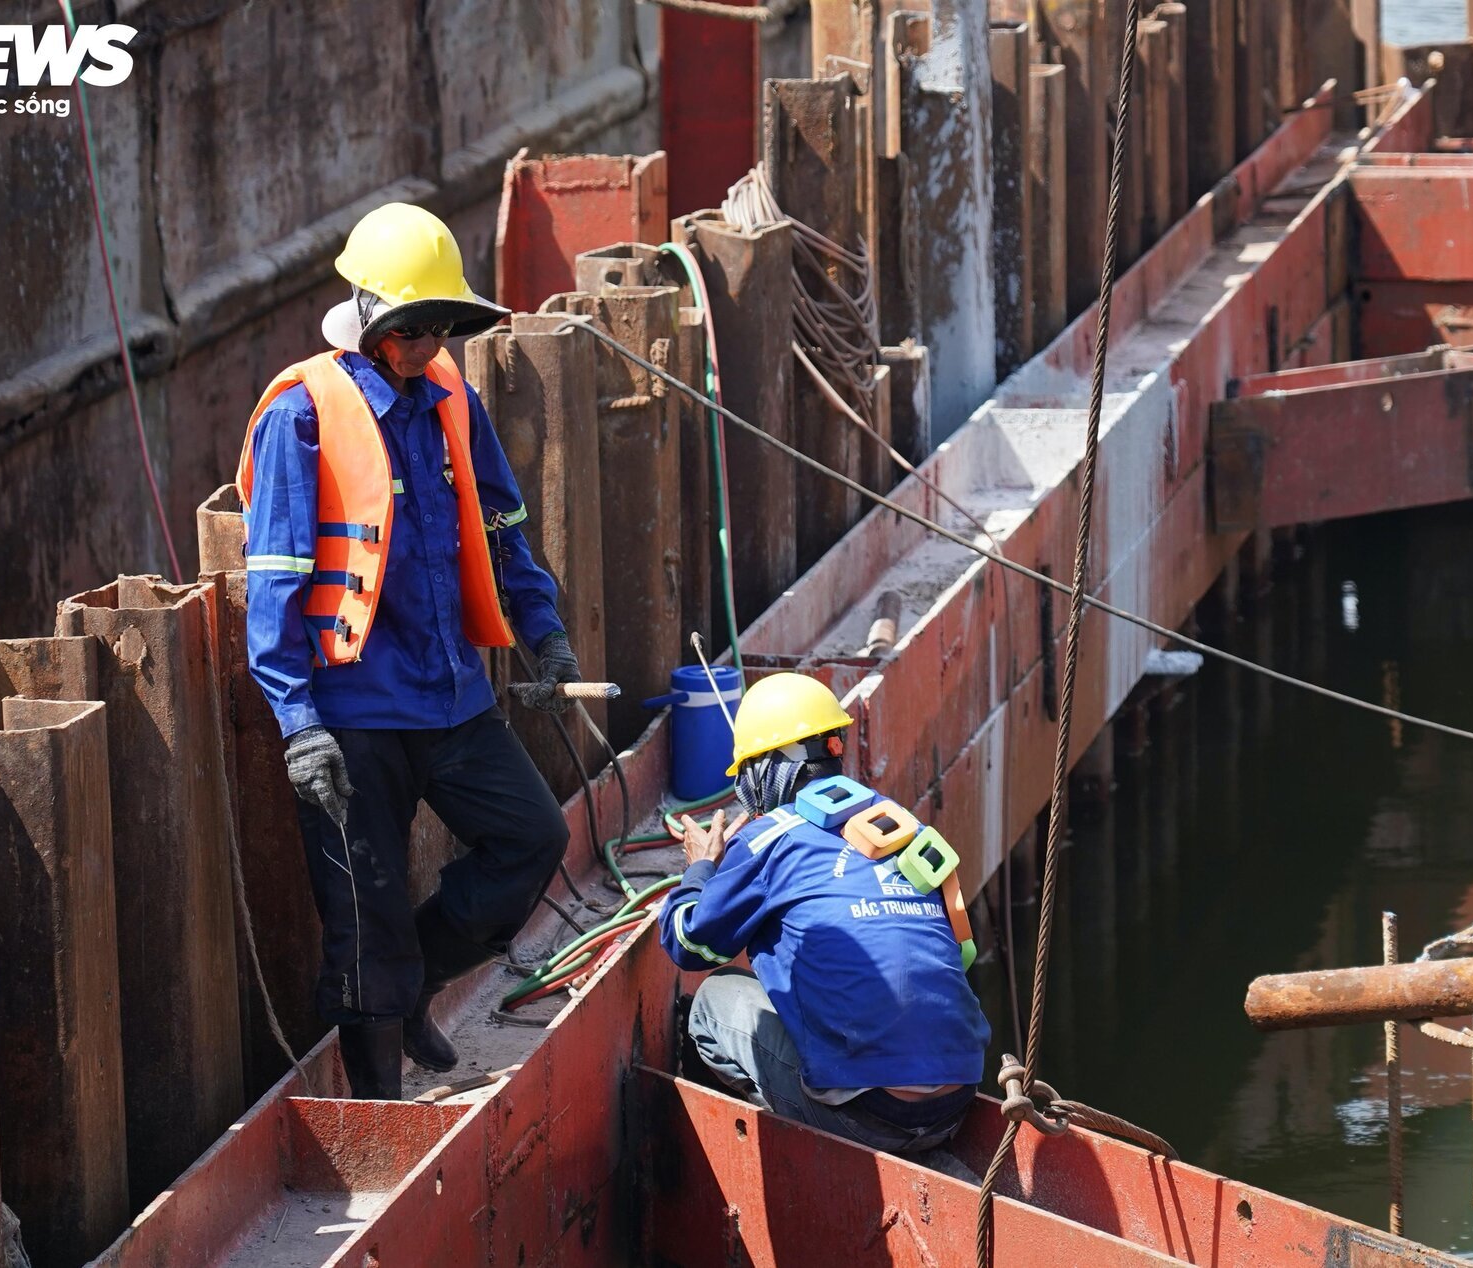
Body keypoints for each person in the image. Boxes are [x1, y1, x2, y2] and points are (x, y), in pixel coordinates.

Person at [236, 202, 581, 1100]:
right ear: (367, 317)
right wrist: (297, 724)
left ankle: (421, 977)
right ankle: (381, 1110)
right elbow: (274, 576)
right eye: (412, 329)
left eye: (442, 329)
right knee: (363, 914)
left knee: (532, 836)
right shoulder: (302, 415)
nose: (430, 347)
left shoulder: (452, 401)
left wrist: (542, 632)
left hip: (450, 692)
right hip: (350, 710)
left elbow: (504, 525)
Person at [658, 672, 991, 1153]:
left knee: (713, 1001)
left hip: (871, 1118)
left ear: (762, 771)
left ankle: (792, 1139)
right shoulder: (903, 825)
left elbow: (689, 943)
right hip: (957, 1102)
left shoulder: (767, 839)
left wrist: (702, 867)